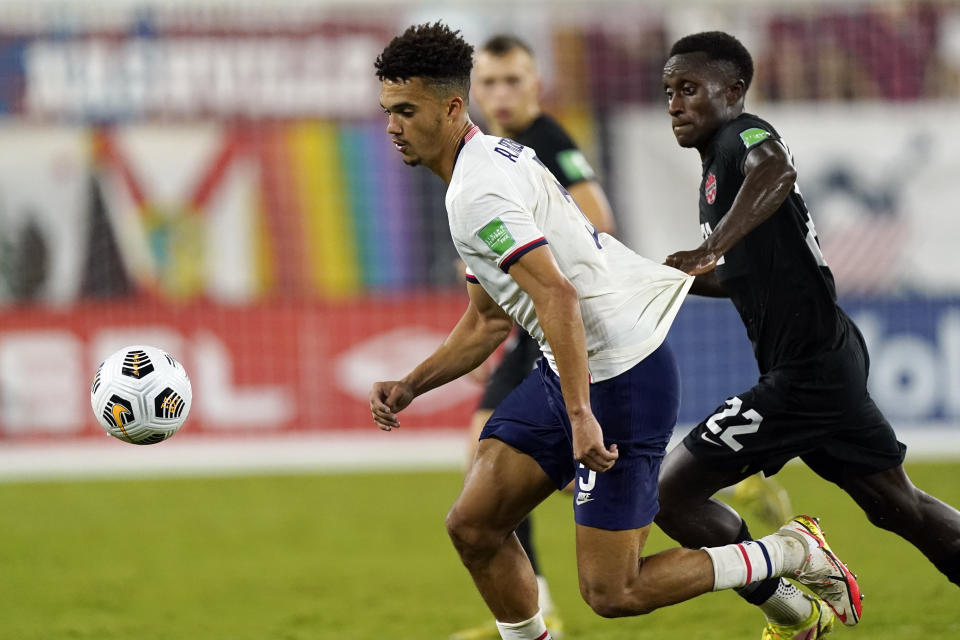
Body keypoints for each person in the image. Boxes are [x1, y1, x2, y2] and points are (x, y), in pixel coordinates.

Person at [368, 22, 861, 640]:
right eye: (388, 111)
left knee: (613, 592)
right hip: (574, 365)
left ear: (451, 106)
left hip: (619, 376)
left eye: (406, 111)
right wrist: (414, 384)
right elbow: (491, 317)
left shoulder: (478, 192)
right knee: (474, 524)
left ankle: (788, 552)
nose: (392, 126)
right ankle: (788, 611)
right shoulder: (490, 159)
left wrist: (580, 415)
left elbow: (557, 294)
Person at [656, 30, 960, 640]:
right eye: (668, 92)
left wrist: (711, 248)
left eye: (689, 89)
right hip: (824, 361)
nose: (675, 103)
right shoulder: (713, 178)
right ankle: (795, 594)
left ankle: (793, 598)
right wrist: (670, 280)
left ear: (734, 91)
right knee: (896, 505)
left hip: (805, 376)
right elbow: (747, 281)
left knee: (669, 496)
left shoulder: (742, 138)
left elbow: (778, 168)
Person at [451, 33, 617, 640]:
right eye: (488, 83)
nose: (499, 94)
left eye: (512, 81)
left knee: (505, 467)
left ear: (536, 85)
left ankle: (703, 493)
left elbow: (598, 216)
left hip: (558, 323)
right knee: (489, 464)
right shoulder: (488, 150)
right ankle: (536, 609)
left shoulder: (546, 139)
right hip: (525, 328)